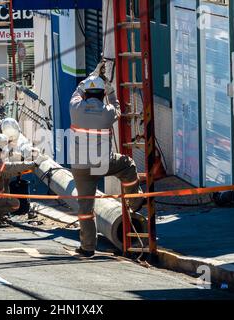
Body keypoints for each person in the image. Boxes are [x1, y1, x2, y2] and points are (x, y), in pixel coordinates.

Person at [69, 61, 144, 258]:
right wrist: (109, 87)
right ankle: (135, 201)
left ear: (85, 94)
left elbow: (78, 90)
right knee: (128, 166)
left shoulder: (74, 108)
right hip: (102, 163)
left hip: (79, 167)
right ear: (102, 95)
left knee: (86, 209)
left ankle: (87, 248)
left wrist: (92, 75)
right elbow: (117, 107)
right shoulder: (107, 112)